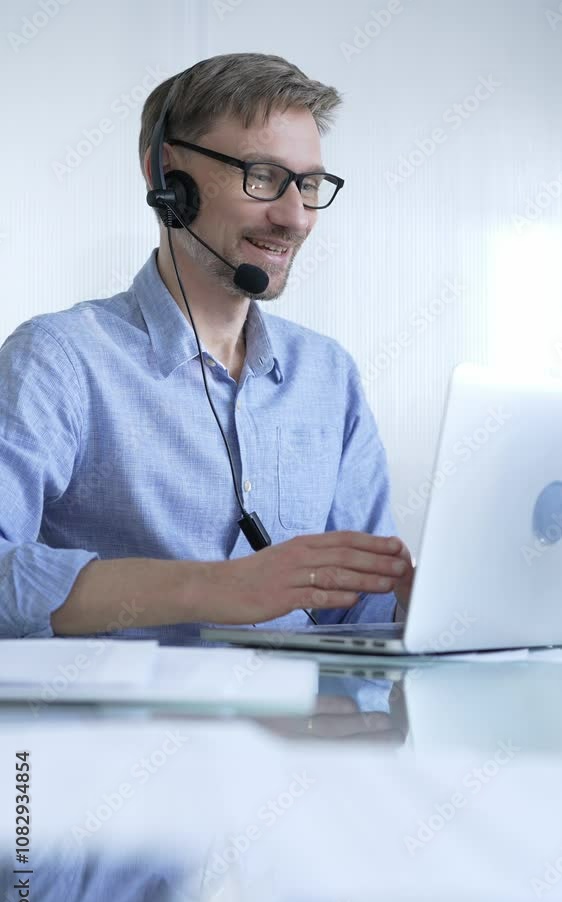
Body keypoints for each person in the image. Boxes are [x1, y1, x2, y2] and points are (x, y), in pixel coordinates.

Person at [0, 52, 414, 644]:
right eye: (263, 176)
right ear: (166, 177)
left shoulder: (328, 376)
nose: (295, 217)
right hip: (114, 734)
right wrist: (214, 589)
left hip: (301, 731)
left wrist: (430, 605)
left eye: (310, 184)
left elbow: (361, 614)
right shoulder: (59, 359)